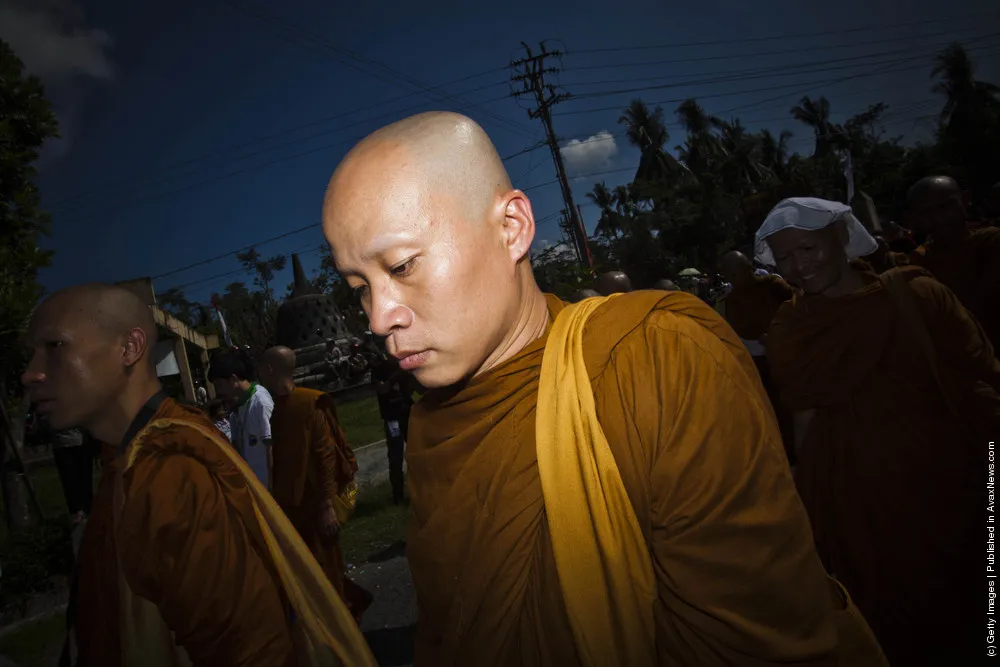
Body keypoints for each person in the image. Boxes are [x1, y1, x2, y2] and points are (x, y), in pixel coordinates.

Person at [322, 111, 884, 666]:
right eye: (359, 288)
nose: (378, 317)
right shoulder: (432, 427)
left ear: (511, 227)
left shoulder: (652, 357)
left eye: (400, 266)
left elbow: (755, 641)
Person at [22, 283, 374, 667]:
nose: (30, 374)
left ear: (129, 348)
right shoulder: (126, 459)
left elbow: (245, 647)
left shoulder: (169, 469)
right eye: (32, 355)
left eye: (55, 347)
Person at [757, 197, 1000, 665]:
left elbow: (978, 374)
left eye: (808, 249)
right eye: (784, 257)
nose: (798, 267)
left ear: (842, 239)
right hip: (852, 494)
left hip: (943, 478)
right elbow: (803, 418)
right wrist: (807, 504)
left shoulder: (917, 294)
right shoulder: (790, 327)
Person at [258, 346, 372, 622]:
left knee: (328, 571)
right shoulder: (273, 408)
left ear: (270, 370)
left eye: (261, 368)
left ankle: (348, 625)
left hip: (316, 504)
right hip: (292, 505)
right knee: (310, 572)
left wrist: (326, 506)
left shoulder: (310, 403)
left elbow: (325, 457)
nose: (259, 373)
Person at [906, 175, 1000, 350]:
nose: (938, 217)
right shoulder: (920, 260)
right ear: (916, 218)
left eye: (945, 206)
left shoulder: (991, 242)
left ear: (965, 200)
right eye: (926, 212)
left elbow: (974, 310)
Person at [718, 249, 795, 461]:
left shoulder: (772, 285)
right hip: (760, 361)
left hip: (790, 350)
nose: (734, 279)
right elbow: (740, 325)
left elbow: (795, 303)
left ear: (748, 268)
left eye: (737, 273)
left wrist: (780, 331)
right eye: (729, 276)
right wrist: (762, 337)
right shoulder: (732, 300)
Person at [208, 348, 275, 490]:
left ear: (233, 379)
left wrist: (273, 490)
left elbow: (271, 450)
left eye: (219, 385)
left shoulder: (260, 402)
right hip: (254, 488)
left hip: (269, 490)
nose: (218, 392)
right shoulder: (235, 411)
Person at [370, 354, 413, 504]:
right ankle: (398, 494)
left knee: (416, 452)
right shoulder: (379, 365)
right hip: (392, 417)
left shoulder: (403, 362)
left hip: (407, 413)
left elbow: (412, 390)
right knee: (396, 457)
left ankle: (420, 489)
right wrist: (396, 375)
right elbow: (382, 389)